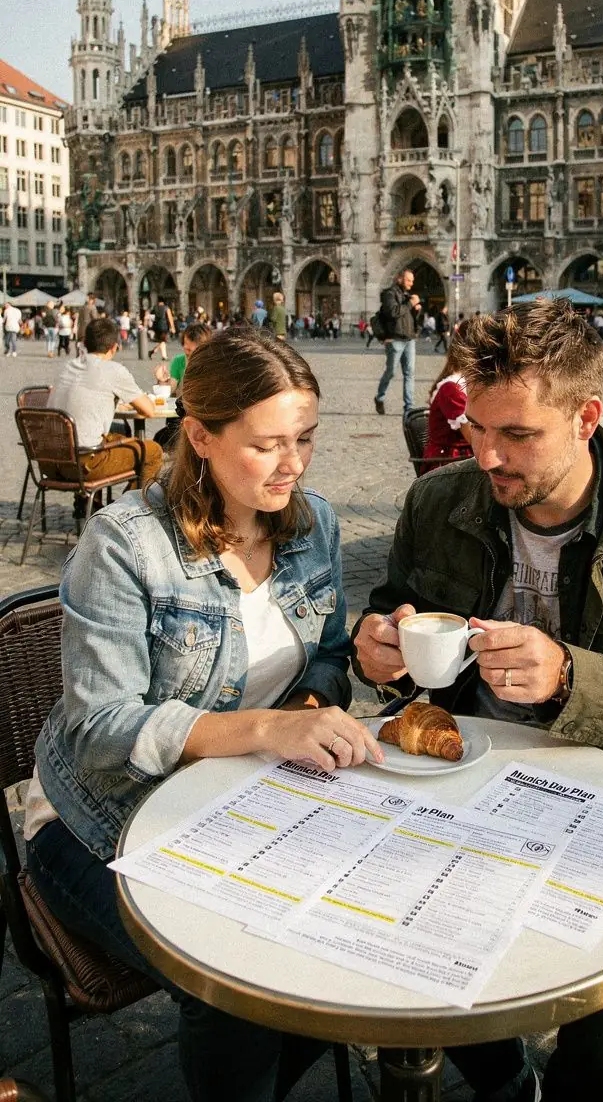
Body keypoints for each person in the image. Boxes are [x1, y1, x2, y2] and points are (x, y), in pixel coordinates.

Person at [353, 299, 603, 1102]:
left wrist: (572, 679)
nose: (488, 455)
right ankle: (504, 1084)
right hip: (459, 791)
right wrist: (381, 655)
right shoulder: (439, 502)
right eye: (475, 428)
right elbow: (399, 623)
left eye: (518, 435)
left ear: (586, 418)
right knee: (385, 949)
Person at [26, 328, 382, 1102]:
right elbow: (98, 732)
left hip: (252, 802)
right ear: (201, 436)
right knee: (237, 976)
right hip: (96, 823)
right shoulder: (124, 545)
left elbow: (325, 656)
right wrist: (266, 729)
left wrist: (324, 696)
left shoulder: (311, 522)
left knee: (371, 923)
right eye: (268, 445)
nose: (293, 464)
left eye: (306, 440)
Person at [47, 317, 163, 488]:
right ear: (114, 347)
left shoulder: (67, 366)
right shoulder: (113, 370)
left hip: (51, 462)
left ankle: (86, 505)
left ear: (85, 343)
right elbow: (148, 410)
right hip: (86, 462)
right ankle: (134, 508)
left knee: (119, 432)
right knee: (152, 451)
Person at [421, 324, 474, 473]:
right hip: (449, 466)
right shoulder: (452, 388)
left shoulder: (469, 382)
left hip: (465, 459)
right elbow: (474, 438)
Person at [374, 267, 422, 415]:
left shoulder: (406, 295)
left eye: (412, 281)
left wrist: (416, 309)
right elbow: (393, 312)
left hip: (409, 339)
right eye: (408, 280)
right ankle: (379, 397)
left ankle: (409, 407)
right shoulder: (389, 294)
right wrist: (410, 304)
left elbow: (410, 317)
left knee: (409, 373)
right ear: (399, 279)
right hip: (395, 339)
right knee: (391, 372)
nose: (411, 283)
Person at [149, 296, 175, 361]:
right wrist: (172, 327)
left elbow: (151, 317)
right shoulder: (166, 308)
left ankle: (155, 352)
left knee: (162, 341)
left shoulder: (154, 308)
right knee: (163, 341)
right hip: (164, 327)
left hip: (156, 327)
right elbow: (170, 318)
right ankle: (162, 355)